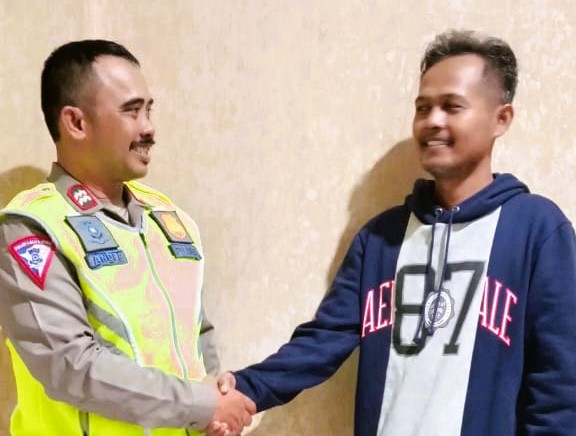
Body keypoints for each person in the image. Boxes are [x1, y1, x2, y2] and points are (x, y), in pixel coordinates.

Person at [218, 29, 576, 435]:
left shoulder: (536, 230)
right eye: (423, 108)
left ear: (501, 118)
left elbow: (559, 386)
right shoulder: (380, 239)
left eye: (451, 106)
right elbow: (323, 341)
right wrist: (245, 389)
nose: (432, 121)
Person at [0, 40, 254, 435]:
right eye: (131, 111)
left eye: (149, 110)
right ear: (76, 123)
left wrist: (214, 408)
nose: (149, 128)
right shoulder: (31, 227)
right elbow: (70, 366)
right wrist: (202, 404)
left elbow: (197, 333)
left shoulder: (168, 218)